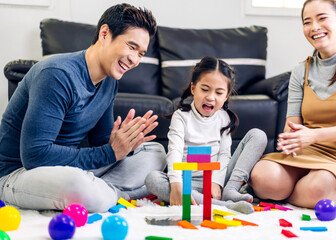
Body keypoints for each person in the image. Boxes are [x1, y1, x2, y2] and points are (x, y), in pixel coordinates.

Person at [0, 3, 166, 213]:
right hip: (20, 174)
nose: (134, 60)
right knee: (79, 185)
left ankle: (102, 192)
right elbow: (35, 155)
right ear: (104, 34)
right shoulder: (57, 74)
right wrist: (110, 152)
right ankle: (115, 194)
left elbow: (101, 146)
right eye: (131, 47)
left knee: (155, 152)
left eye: (141, 54)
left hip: (70, 169)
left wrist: (123, 143)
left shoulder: (109, 82)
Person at [250, 0, 336, 209]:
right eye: (307, 22)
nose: (314, 27)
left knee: (318, 188)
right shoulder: (301, 71)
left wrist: (314, 135)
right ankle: (299, 191)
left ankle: (295, 193)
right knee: (263, 177)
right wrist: (289, 139)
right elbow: (292, 125)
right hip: (309, 151)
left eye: (322, 18)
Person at [145, 56, 267, 214]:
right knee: (153, 178)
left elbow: (224, 155)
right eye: (205, 89)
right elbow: (174, 151)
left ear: (226, 96)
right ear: (193, 88)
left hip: (219, 179)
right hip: (189, 182)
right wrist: (176, 184)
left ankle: (230, 190)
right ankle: (225, 205)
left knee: (258, 135)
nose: (210, 97)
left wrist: (217, 182)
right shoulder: (181, 117)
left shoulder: (224, 118)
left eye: (219, 92)